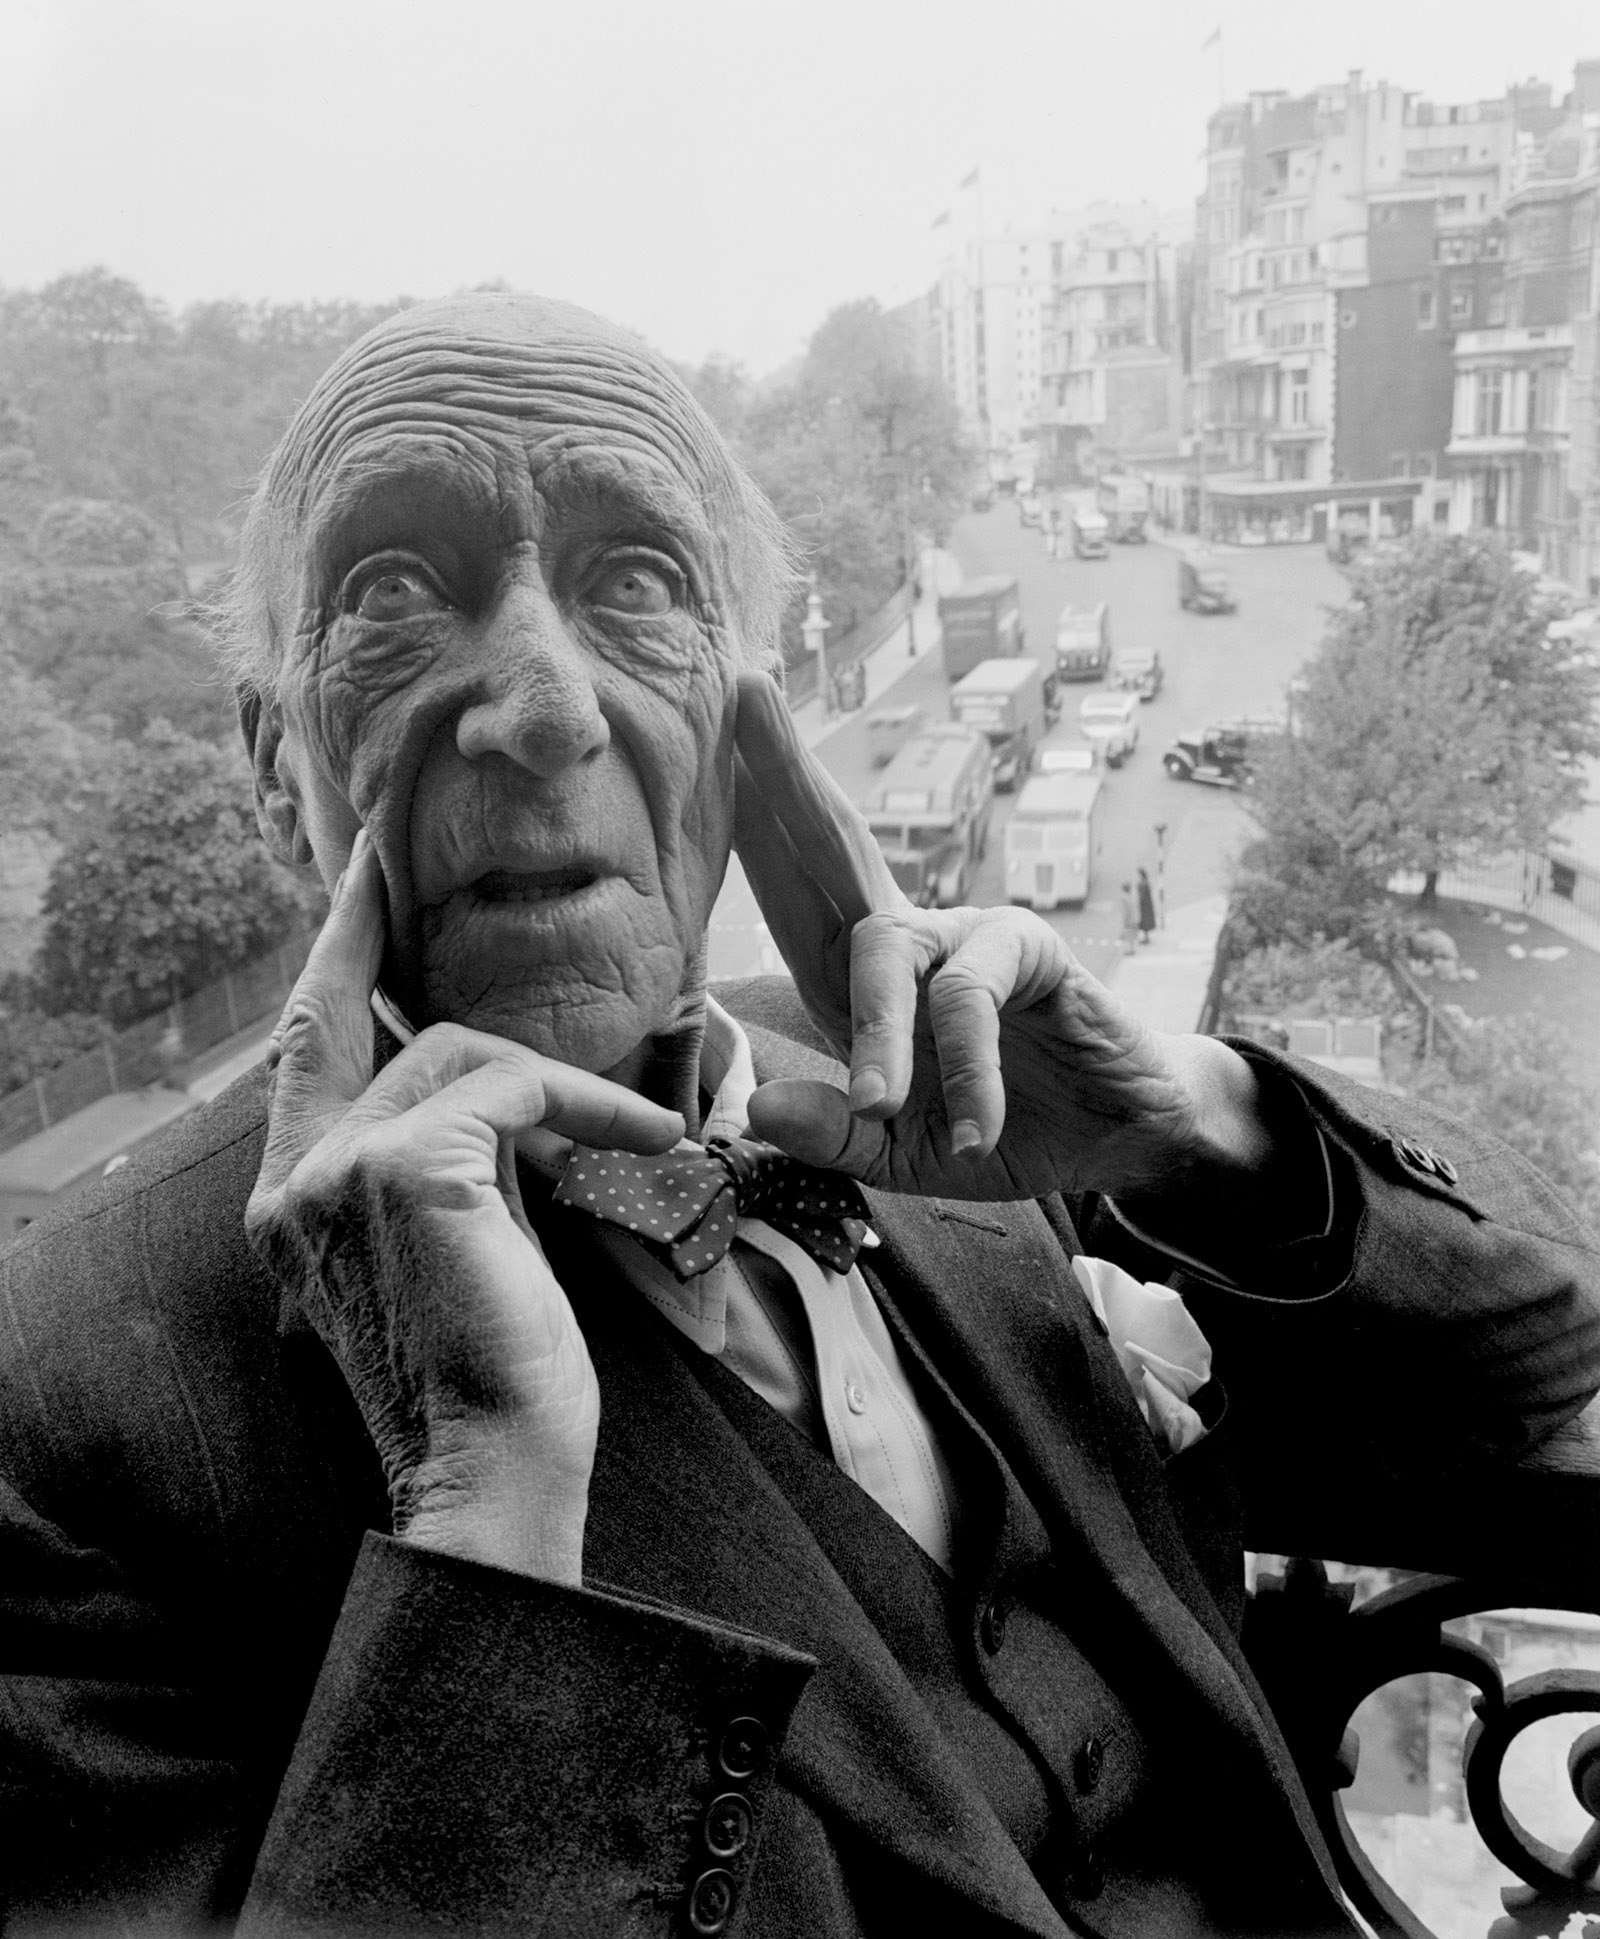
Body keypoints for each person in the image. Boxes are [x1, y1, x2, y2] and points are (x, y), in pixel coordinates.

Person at [2, 290, 1598, 1938]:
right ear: (276, 768)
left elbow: (1540, 1354)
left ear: (749, 726)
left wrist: (1189, 1122)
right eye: (394, 591)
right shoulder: (58, 1415)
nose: (546, 708)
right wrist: (485, 1512)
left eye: (638, 584)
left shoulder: (912, 1075)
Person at [1119, 879, 1140, 954]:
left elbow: (1126, 911)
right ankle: (1132, 949)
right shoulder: (1132, 896)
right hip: (1135, 919)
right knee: (1132, 935)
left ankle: (1129, 950)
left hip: (1129, 920)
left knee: (1128, 936)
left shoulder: (1124, 898)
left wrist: (1125, 921)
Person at [1137, 866, 1157, 944]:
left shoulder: (1143, 884)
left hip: (1145, 906)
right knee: (1146, 921)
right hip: (1147, 905)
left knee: (1145, 921)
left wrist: (1138, 902)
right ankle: (1146, 937)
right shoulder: (1147, 883)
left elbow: (1141, 896)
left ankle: (1146, 938)